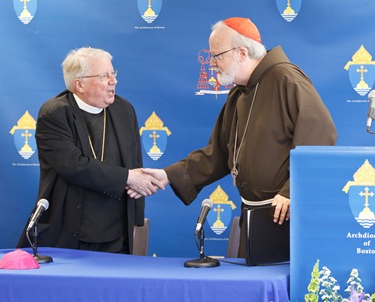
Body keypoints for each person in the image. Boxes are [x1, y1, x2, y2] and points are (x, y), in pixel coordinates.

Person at [130, 17, 338, 257]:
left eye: (216, 56)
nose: (212, 63)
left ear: (241, 52)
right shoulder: (239, 94)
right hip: (253, 215)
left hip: (285, 215)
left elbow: (320, 136)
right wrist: (167, 175)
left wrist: (292, 191)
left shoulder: (287, 80)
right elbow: (217, 154)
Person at [17, 47, 164, 254]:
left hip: (117, 236)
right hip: (71, 233)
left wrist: (136, 221)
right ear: (79, 84)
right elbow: (73, 165)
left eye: (114, 73)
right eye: (104, 76)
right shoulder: (55, 113)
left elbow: (135, 162)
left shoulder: (124, 109)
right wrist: (128, 178)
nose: (114, 81)